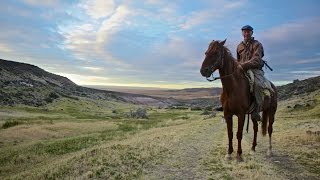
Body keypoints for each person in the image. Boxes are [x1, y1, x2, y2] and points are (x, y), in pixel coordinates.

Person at [236, 25, 273, 121]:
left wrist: (243, 65)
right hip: (242, 70)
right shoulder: (239, 46)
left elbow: (257, 59)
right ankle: (227, 104)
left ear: (252, 33)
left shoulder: (257, 44)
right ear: (242, 33)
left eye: (248, 31)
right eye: (244, 31)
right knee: (230, 81)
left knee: (258, 84)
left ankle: (257, 109)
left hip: (255, 69)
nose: (246, 33)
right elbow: (238, 60)